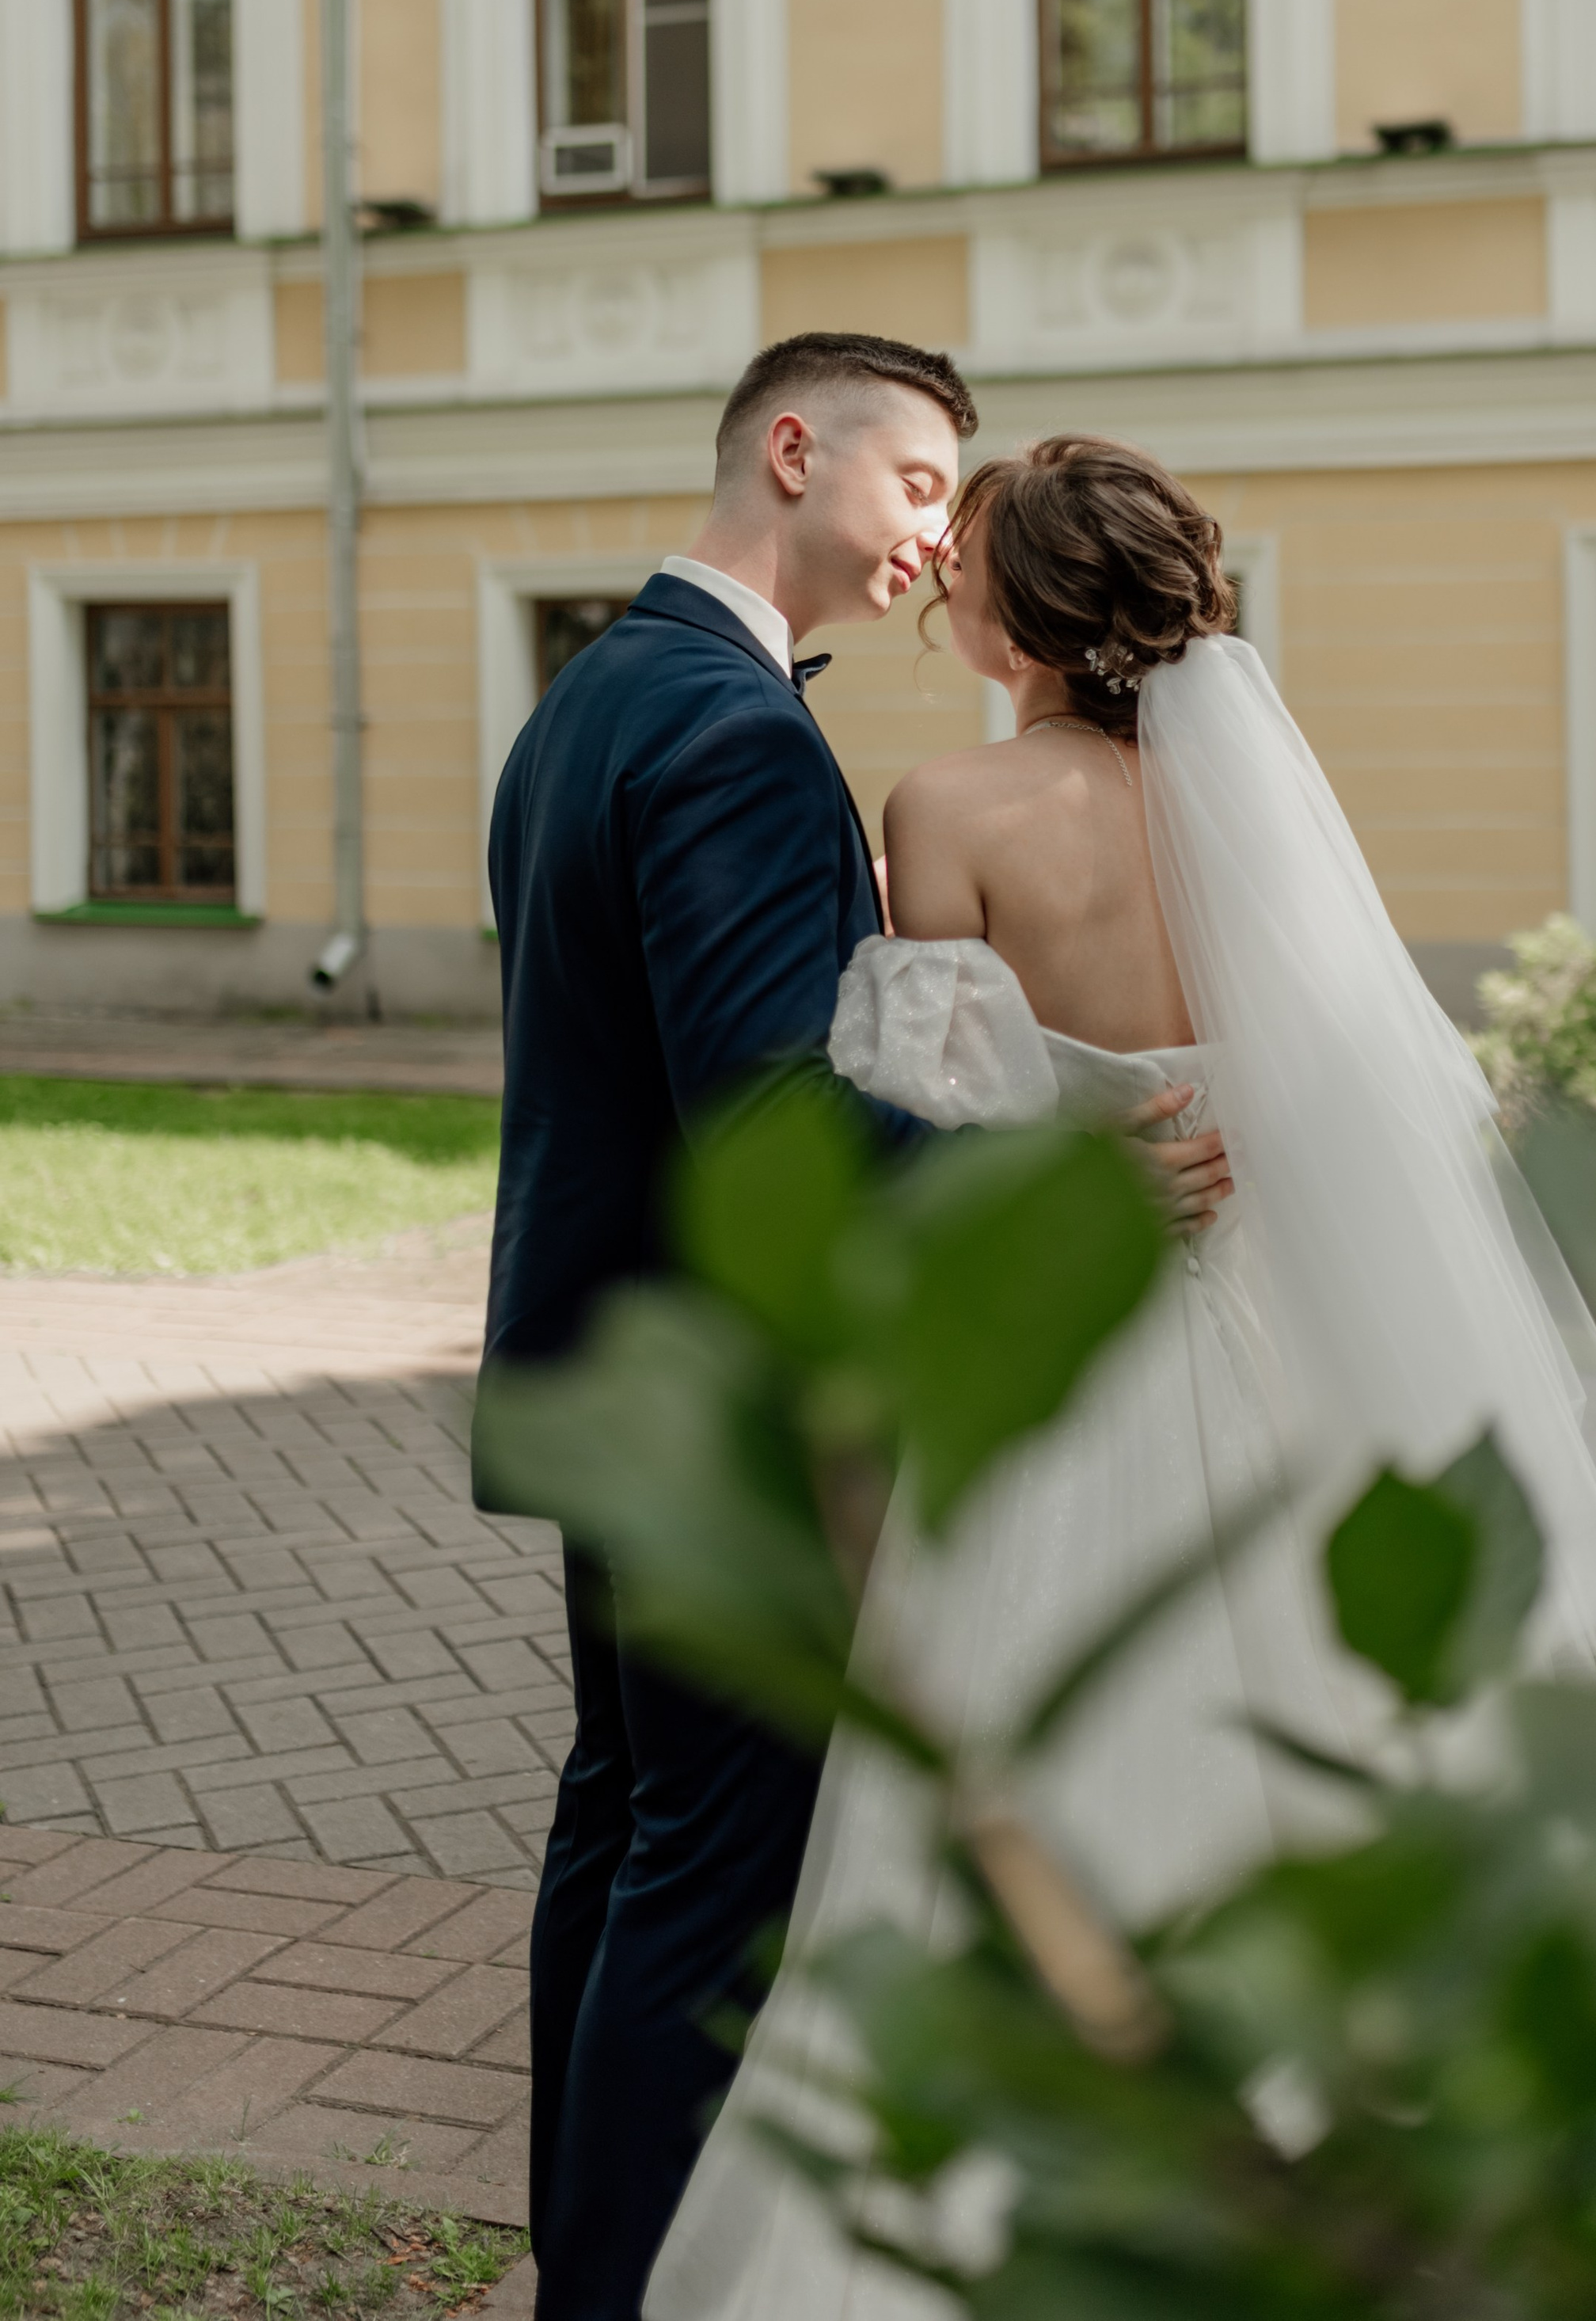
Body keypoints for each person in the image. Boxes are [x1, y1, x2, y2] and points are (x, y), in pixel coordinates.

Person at [646, 432, 1596, 2321]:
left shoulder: (939, 806)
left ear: (1019, 607)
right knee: (1329, 1711)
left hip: (1081, 1342)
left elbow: (927, 1115)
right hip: (1290, 1328)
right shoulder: (1249, 813)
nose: (940, 577)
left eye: (965, 561)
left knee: (1031, 1710)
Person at [481, 351, 1230, 2321]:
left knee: (622, 1828)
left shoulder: (592, 694)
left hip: (608, 1374)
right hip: (722, 1395)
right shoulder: (730, 732)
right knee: (707, 1875)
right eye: (918, 481)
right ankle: (625, 2288)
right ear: (793, 453)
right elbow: (776, 1113)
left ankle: (587, 2259)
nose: (929, 534)